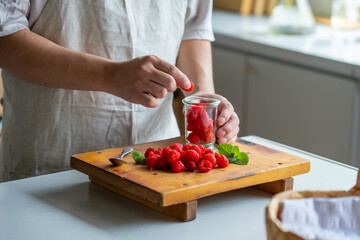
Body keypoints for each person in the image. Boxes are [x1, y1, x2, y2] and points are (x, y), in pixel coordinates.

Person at [0, 0, 240, 181]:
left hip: (157, 162)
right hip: (52, 164)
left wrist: (204, 100)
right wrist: (110, 76)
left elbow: (192, 29)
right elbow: (5, 35)